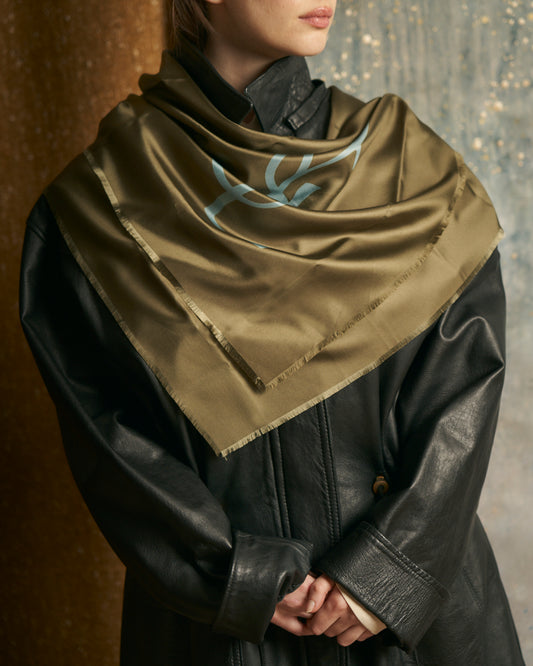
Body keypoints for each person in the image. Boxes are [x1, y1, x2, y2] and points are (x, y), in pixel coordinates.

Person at [20, 1, 525, 664]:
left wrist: (387, 573)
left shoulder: (411, 169)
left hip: (411, 628)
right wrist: (241, 578)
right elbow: (112, 441)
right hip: (221, 634)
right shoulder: (97, 208)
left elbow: (462, 389)